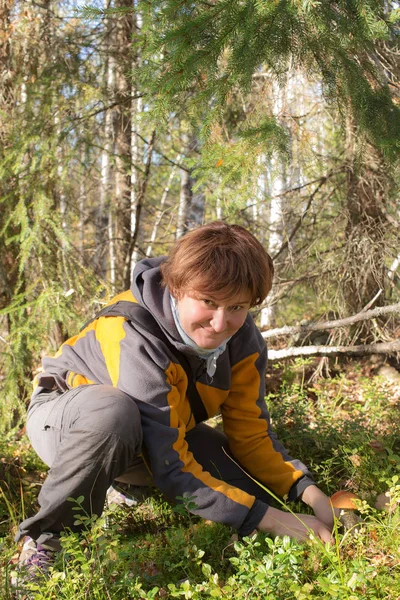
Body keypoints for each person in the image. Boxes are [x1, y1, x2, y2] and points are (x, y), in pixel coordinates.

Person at [14, 221, 336, 583]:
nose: (220, 322)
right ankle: (45, 541)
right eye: (209, 302)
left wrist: (308, 493)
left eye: (237, 306)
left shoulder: (244, 341)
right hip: (68, 423)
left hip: (155, 431)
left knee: (237, 474)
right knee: (114, 413)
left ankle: (127, 484)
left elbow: (251, 433)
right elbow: (171, 464)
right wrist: (270, 520)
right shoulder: (131, 331)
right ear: (177, 287)